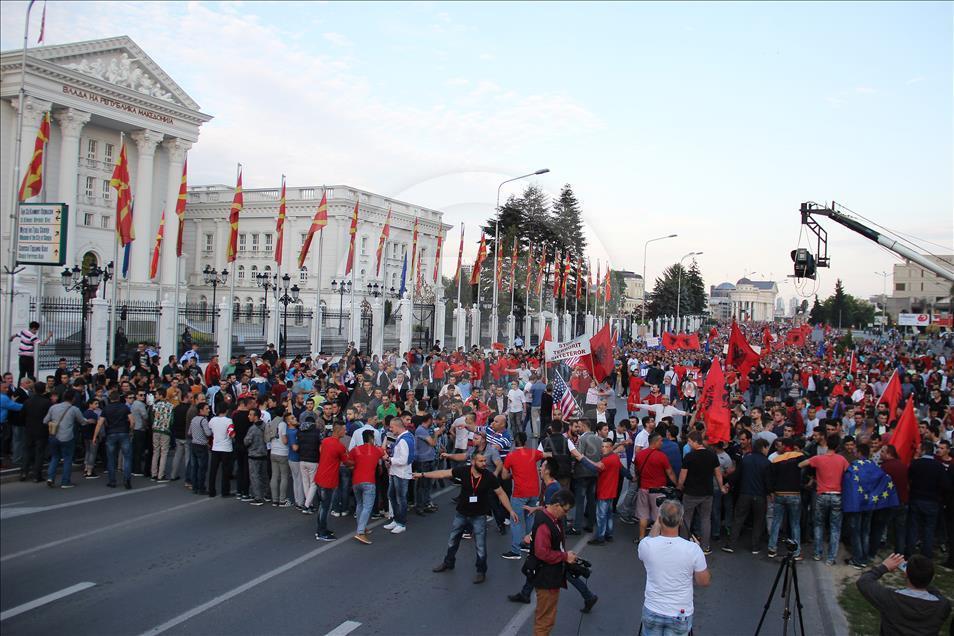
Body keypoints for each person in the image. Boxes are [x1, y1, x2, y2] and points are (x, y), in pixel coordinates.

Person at [424, 450, 519, 583]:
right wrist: (423, 474)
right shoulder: (464, 471)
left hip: (479, 515)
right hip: (462, 513)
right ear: (473, 462)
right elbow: (443, 473)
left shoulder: (489, 476)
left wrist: (511, 511)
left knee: (480, 545)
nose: (484, 463)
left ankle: (481, 571)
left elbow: (501, 493)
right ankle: (448, 562)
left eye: (485, 461)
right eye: (481, 461)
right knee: (453, 539)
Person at [638, 500, 711, 636]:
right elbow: (704, 581)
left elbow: (650, 538)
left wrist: (658, 523)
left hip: (653, 609)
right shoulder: (693, 549)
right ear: (681, 520)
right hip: (680, 612)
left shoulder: (647, 546)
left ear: (660, 520)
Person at [856, 553, 951, 636]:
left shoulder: (890, 598)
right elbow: (935, 593)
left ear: (906, 575)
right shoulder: (943, 606)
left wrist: (884, 567)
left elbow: (864, 582)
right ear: (932, 578)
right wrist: (922, 577)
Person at [530, 488, 578, 636]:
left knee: (547, 617)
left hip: (550, 575)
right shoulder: (546, 523)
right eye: (565, 510)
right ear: (557, 505)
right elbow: (542, 552)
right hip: (547, 577)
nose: (566, 514)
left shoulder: (551, 517)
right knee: (545, 620)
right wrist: (565, 556)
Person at [799, 433, 850, 564]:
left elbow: (801, 464)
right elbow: (850, 472)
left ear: (827, 444)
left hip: (821, 494)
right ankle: (831, 558)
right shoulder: (842, 460)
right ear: (838, 446)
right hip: (837, 495)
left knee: (818, 525)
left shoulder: (819, 459)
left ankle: (817, 553)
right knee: (835, 527)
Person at [678, 432, 727, 554]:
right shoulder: (712, 455)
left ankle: (684, 544)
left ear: (695, 441)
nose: (688, 444)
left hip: (691, 492)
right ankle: (705, 546)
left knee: (687, 518)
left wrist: (679, 486)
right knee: (706, 519)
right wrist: (721, 487)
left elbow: (683, 475)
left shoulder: (689, 456)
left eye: (689, 441)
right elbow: (718, 473)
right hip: (707, 493)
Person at [723, 438, 771, 554]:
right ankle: (755, 546)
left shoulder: (746, 459)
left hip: (745, 493)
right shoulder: (766, 462)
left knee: (738, 519)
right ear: (763, 447)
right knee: (758, 521)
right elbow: (768, 481)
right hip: (759, 495)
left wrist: (728, 484)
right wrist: (770, 493)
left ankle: (731, 544)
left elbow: (737, 474)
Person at [907, 441, 949, 560]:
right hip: (932, 501)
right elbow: (945, 484)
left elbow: (908, 479)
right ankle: (926, 554)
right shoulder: (938, 466)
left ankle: (910, 552)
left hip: (916, 498)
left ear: (924, 450)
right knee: (929, 529)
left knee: (913, 527)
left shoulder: (915, 464)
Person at [314, 421, 353, 541]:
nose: (345, 431)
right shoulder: (340, 446)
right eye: (344, 429)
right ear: (339, 430)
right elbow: (347, 462)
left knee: (322, 506)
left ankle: (321, 529)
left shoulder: (325, 441)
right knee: (325, 507)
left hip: (320, 476)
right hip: (328, 480)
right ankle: (321, 532)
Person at [43, 389, 85, 488]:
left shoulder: (53, 407)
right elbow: (82, 421)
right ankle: (65, 482)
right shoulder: (74, 409)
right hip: (67, 437)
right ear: (73, 398)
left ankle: (50, 478)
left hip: (53, 435)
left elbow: (45, 421)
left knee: (55, 457)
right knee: (67, 459)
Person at [350, 429, 386, 544]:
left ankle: (362, 527)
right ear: (371, 439)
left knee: (360, 504)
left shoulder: (355, 450)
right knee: (367, 507)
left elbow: (349, 463)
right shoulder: (376, 450)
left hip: (356, 481)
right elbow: (383, 451)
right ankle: (360, 532)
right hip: (369, 482)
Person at [94, 389, 134, 489]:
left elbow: (100, 423)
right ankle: (127, 480)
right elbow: (132, 421)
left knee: (111, 459)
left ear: (110, 398)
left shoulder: (106, 409)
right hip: (124, 433)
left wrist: (94, 436)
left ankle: (112, 481)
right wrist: (130, 430)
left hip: (111, 434)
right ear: (119, 398)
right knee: (127, 458)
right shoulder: (124, 407)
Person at [384, 415, 414, 534]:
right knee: (391, 496)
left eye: (391, 427)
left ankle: (401, 523)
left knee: (401, 499)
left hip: (401, 474)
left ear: (397, 426)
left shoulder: (404, 440)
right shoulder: (404, 437)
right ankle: (396, 520)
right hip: (396, 472)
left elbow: (404, 460)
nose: (390, 430)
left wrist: (390, 460)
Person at [207, 402, 234, 498]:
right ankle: (225, 491)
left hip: (215, 448)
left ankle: (211, 491)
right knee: (225, 471)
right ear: (226, 410)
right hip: (226, 448)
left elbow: (209, 432)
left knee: (213, 471)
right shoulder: (228, 421)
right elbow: (231, 434)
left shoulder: (212, 420)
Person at [243, 408, 268, 505]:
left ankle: (258, 497)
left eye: (250, 414)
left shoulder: (252, 429)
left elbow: (246, 441)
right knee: (264, 476)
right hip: (264, 453)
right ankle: (267, 493)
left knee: (255, 476)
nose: (248, 416)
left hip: (254, 455)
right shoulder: (265, 426)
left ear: (256, 416)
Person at [188, 402, 212, 495]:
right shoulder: (204, 420)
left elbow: (189, 432)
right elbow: (208, 433)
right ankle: (201, 488)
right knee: (202, 468)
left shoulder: (194, 419)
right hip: (202, 446)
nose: (208, 410)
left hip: (193, 444)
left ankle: (195, 487)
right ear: (201, 410)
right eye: (207, 408)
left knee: (195, 467)